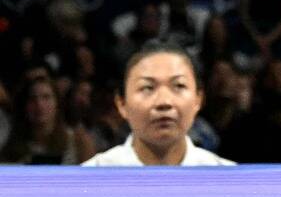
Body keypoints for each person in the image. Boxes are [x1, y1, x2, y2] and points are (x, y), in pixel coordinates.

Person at [81, 44, 233, 167]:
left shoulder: (229, 181)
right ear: (122, 104)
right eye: (147, 88)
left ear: (198, 99)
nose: (164, 102)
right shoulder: (90, 178)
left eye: (179, 86)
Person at [0, 69, 97, 164]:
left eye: (46, 97)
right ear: (24, 106)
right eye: (32, 98)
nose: (39, 104)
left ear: (57, 104)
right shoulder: (10, 147)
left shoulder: (78, 142)